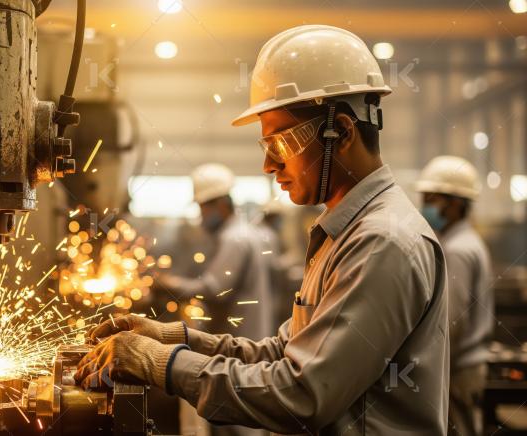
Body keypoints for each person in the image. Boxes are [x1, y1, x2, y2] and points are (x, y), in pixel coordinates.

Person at [74, 24, 450, 435]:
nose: (269, 166)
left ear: (340, 131)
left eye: (280, 144)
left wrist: (160, 362)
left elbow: (303, 394)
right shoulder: (345, 233)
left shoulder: (382, 243)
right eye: (266, 147)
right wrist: (169, 336)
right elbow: (281, 353)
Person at [157, 163, 279, 340]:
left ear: (221, 205)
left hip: (240, 339)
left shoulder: (234, 238)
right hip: (248, 335)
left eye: (202, 208)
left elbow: (215, 289)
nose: (201, 216)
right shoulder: (243, 232)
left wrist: (170, 284)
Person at [416, 155, 493, 436]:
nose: (426, 206)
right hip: (468, 363)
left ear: (456, 204)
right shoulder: (467, 241)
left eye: (432, 199)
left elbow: (452, 321)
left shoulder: (458, 249)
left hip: (459, 367)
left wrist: (424, 362)